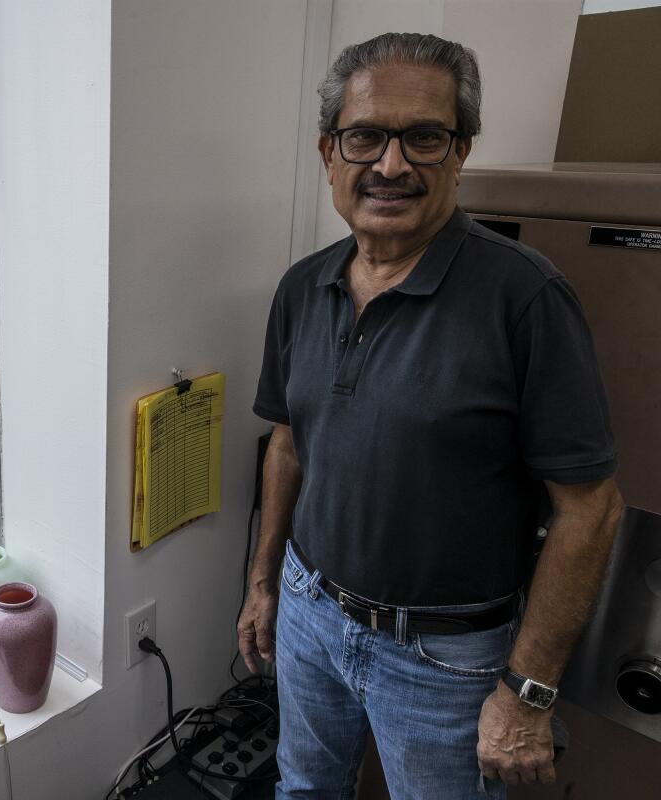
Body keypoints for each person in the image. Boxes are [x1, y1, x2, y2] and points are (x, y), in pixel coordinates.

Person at [237, 33, 623, 798]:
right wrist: (263, 582)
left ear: (459, 152)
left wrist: (528, 691)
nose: (390, 164)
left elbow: (592, 511)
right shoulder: (301, 286)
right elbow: (287, 441)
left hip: (447, 656)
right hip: (312, 615)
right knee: (303, 788)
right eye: (366, 137)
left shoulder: (525, 298)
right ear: (329, 153)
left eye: (423, 137)